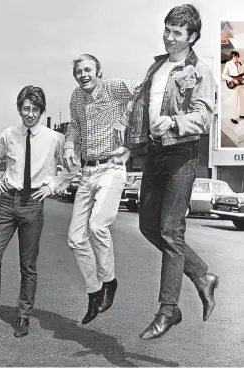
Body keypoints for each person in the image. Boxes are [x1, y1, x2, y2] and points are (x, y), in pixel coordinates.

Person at [123, 4, 219, 340]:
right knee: (148, 226)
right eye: (167, 30)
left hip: (181, 154)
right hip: (154, 152)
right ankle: (202, 276)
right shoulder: (157, 67)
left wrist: (175, 122)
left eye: (177, 33)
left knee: (170, 231)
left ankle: (168, 310)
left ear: (192, 37)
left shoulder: (201, 71)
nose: (169, 37)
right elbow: (141, 108)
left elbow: (204, 118)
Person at [0, 86, 77, 337]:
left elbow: (72, 166)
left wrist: (52, 186)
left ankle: (23, 316)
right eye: (26, 108)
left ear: (41, 111)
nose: (30, 114)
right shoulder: (9, 134)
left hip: (33, 204)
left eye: (35, 109)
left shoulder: (54, 138)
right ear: (19, 109)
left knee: (27, 265)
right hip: (8, 201)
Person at [63, 54, 139, 325]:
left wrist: (126, 120)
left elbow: (144, 90)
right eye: (79, 71)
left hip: (112, 168)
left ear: (98, 72)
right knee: (75, 238)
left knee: (97, 226)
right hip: (87, 170)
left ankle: (109, 282)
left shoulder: (114, 87)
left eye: (88, 70)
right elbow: (73, 125)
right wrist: (69, 146)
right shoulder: (76, 96)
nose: (83, 75)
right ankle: (94, 291)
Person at [222, 50, 244, 124]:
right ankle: (233, 117)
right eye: (234, 57)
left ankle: (242, 114)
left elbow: (242, 74)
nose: (236, 58)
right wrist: (233, 80)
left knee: (242, 100)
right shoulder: (228, 64)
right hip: (233, 85)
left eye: (237, 57)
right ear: (232, 57)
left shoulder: (241, 63)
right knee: (234, 101)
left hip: (241, 84)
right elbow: (224, 75)